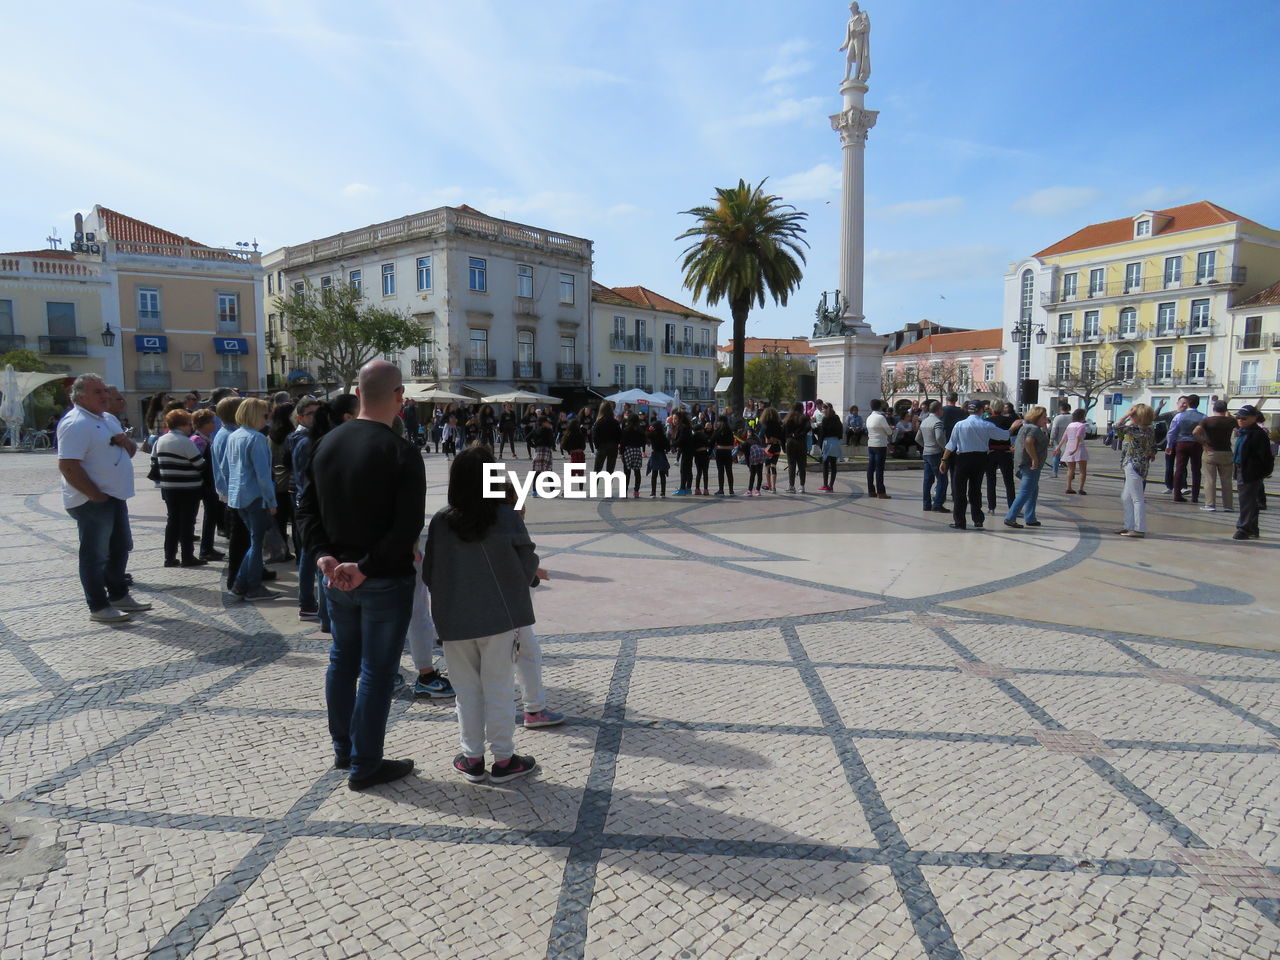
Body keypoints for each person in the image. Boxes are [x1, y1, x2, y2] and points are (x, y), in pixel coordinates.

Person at [296, 360, 424, 790]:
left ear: (358, 391)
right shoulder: (400, 451)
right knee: (374, 670)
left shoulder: (326, 443)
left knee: (342, 660)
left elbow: (306, 510)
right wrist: (364, 567)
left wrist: (324, 559)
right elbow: (406, 527)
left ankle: (344, 749)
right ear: (398, 396)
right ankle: (365, 762)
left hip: (337, 579)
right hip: (381, 578)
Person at [423, 445, 541, 784]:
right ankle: (504, 759)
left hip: (454, 620)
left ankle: (472, 757)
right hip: (499, 618)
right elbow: (527, 561)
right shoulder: (505, 517)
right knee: (499, 687)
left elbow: (430, 573)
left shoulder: (443, 522)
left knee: (466, 690)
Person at [57, 373, 152, 623]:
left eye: (105, 391)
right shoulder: (75, 423)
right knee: (95, 555)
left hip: (115, 495)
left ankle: (118, 595)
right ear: (80, 396)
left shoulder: (108, 418)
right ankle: (98, 606)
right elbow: (67, 465)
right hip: (92, 500)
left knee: (121, 547)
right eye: (98, 392)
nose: (105, 396)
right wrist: (94, 495)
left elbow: (130, 451)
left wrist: (126, 442)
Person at [224, 398, 278, 601]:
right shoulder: (256, 438)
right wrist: (272, 502)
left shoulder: (234, 436)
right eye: (265, 415)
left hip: (239, 495)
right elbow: (263, 475)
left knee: (253, 542)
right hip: (255, 496)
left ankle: (242, 585)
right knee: (256, 544)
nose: (267, 419)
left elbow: (226, 468)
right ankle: (249, 586)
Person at [939, 400, 1013, 530]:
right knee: (975, 489)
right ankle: (978, 519)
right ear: (981, 410)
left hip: (963, 458)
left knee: (959, 490)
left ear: (968, 410)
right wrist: (1013, 427)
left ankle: (960, 521)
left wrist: (944, 460)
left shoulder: (960, 424)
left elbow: (951, 445)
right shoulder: (986, 424)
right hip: (980, 458)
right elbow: (1004, 435)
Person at [153, 409, 207, 566]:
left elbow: (153, 463)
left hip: (169, 487)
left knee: (173, 521)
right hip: (189, 488)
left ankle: (169, 557)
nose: (191, 427)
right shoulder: (185, 441)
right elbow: (200, 464)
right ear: (182, 425)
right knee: (187, 522)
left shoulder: (160, 440)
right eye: (189, 424)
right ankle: (187, 556)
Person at [1113, 402, 1158, 538]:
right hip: (1138, 465)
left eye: (1134, 415)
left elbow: (1116, 427)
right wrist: (1150, 453)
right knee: (1126, 497)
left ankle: (1139, 528)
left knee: (1137, 499)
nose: (1131, 417)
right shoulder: (1149, 430)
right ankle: (1129, 525)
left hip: (1133, 464)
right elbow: (1154, 447)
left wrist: (1126, 414)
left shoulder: (1136, 429)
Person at [1231, 405, 1273, 540]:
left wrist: (1265, 471)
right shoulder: (1243, 432)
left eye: (1244, 418)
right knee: (1250, 501)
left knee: (1246, 501)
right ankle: (1253, 528)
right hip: (1241, 469)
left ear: (1254, 418)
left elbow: (1266, 456)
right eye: (1238, 417)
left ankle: (1243, 528)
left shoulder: (1258, 434)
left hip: (1251, 471)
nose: (1240, 420)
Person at [1003, 406, 1048, 529]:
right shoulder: (1033, 429)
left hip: (1024, 464)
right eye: (1044, 417)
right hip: (1030, 465)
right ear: (1036, 417)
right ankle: (1010, 517)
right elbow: (1028, 442)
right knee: (1025, 492)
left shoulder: (1026, 427)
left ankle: (1030, 517)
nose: (1046, 419)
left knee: (1033, 491)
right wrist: (1034, 459)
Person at [190, 408, 225, 561]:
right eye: (210, 422)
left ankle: (208, 547)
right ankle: (206, 549)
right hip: (206, 485)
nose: (213, 424)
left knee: (212, 516)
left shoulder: (206, 439)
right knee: (210, 517)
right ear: (202, 424)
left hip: (210, 484)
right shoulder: (198, 440)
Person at [267, 402, 296, 563]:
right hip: (289, 480)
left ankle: (279, 550)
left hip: (275, 480)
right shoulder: (292, 434)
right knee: (292, 519)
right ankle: (288, 551)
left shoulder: (269, 434)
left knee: (279, 521)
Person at [1193, 399, 1234, 513]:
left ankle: (1210, 504)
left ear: (1213, 409)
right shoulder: (1231, 421)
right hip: (1226, 452)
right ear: (1225, 409)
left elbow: (1195, 432)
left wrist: (1204, 443)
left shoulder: (1207, 421)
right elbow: (1240, 428)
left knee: (1210, 480)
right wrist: (1228, 415)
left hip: (1211, 452)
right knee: (1227, 481)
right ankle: (1228, 506)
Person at [1167, 394, 1206, 502]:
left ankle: (1177, 495)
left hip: (1181, 443)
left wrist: (1169, 445)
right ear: (1198, 404)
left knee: (1179, 468)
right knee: (1196, 470)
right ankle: (1195, 496)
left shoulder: (1179, 416)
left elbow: (1172, 432)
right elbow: (1205, 432)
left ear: (1188, 403)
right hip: (1196, 444)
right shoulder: (1203, 416)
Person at [985, 401, 1018, 511]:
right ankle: (1012, 507)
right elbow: (1015, 434)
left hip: (991, 452)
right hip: (1005, 452)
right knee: (1009, 481)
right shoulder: (1009, 420)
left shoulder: (986, 421)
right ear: (1002, 409)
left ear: (991, 408)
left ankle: (991, 506)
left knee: (991, 481)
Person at [919, 400, 948, 512]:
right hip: (936, 453)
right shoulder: (937, 422)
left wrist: (925, 445)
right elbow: (939, 437)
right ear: (938, 410)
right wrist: (945, 448)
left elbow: (918, 438)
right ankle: (937, 504)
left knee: (927, 480)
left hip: (926, 453)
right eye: (941, 409)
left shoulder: (924, 421)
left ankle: (926, 504)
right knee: (942, 479)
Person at [1055, 409, 1090, 495]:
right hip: (1079, 447)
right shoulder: (1081, 425)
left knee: (1070, 469)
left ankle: (1069, 487)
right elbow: (1078, 436)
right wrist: (1075, 448)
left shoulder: (1070, 425)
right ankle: (1081, 488)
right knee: (1082, 470)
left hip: (1069, 447)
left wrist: (1058, 448)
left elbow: (1064, 437)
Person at [864, 398, 891, 498]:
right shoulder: (881, 417)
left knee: (871, 468)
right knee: (879, 469)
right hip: (880, 445)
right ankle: (881, 492)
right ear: (880, 407)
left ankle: (871, 490)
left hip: (871, 444)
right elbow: (889, 431)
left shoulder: (869, 417)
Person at [782, 402, 811, 494]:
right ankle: (802, 486)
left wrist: (790, 436)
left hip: (790, 442)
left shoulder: (788, 418)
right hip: (801, 443)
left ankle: (791, 486)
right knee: (802, 465)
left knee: (791, 465)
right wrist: (799, 434)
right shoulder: (804, 418)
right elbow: (808, 428)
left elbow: (784, 432)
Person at [817, 402, 843, 492]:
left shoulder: (825, 419)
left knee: (825, 464)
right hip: (835, 441)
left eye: (823, 409)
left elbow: (822, 433)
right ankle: (831, 485)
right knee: (833, 464)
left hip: (827, 442)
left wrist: (820, 445)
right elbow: (840, 430)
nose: (822, 411)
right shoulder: (837, 418)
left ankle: (825, 484)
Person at [621, 413, 647, 497]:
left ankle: (624, 492)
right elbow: (643, 442)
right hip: (637, 451)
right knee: (637, 472)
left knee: (626, 472)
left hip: (628, 450)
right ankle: (636, 491)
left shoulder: (626, 430)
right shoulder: (640, 430)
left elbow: (622, 443)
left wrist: (621, 453)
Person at [592, 401, 621, 474]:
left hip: (601, 447)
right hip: (613, 447)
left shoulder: (598, 422)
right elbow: (619, 435)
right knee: (610, 470)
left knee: (597, 469)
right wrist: (616, 443)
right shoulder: (615, 422)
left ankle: (595, 485)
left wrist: (597, 446)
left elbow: (595, 436)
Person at [671, 409, 695, 496]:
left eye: (676, 419)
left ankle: (682, 489)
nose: (674, 420)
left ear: (680, 419)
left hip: (687, 451)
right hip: (688, 451)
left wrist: (672, 445)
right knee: (688, 470)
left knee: (684, 470)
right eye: (673, 419)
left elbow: (681, 440)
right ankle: (688, 488)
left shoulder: (683, 428)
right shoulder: (685, 427)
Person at [711, 417, 737, 496]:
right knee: (729, 472)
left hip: (720, 454)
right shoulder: (729, 432)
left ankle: (721, 490)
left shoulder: (717, 431)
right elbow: (732, 445)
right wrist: (726, 447)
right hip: (728, 454)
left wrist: (718, 447)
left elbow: (711, 442)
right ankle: (731, 490)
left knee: (721, 472)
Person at [1047, 400, 1072, 478]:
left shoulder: (1057, 418)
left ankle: (1054, 472)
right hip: (1070, 441)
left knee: (1056, 457)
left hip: (1058, 441)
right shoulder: (1073, 417)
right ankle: (1071, 473)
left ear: (1060, 409)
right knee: (1070, 458)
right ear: (1069, 409)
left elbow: (1054, 430)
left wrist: (1051, 440)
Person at [647, 416, 671, 497]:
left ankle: (653, 492)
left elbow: (646, 435)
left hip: (654, 455)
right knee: (662, 474)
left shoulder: (652, 435)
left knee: (654, 474)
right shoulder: (663, 436)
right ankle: (662, 492)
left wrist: (649, 429)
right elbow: (668, 447)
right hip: (662, 455)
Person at [692, 418, 712, 495]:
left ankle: (697, 489)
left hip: (697, 455)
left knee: (699, 472)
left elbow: (692, 447)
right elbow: (708, 445)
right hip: (704, 454)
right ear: (701, 429)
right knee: (705, 473)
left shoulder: (693, 436)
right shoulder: (704, 435)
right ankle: (706, 489)